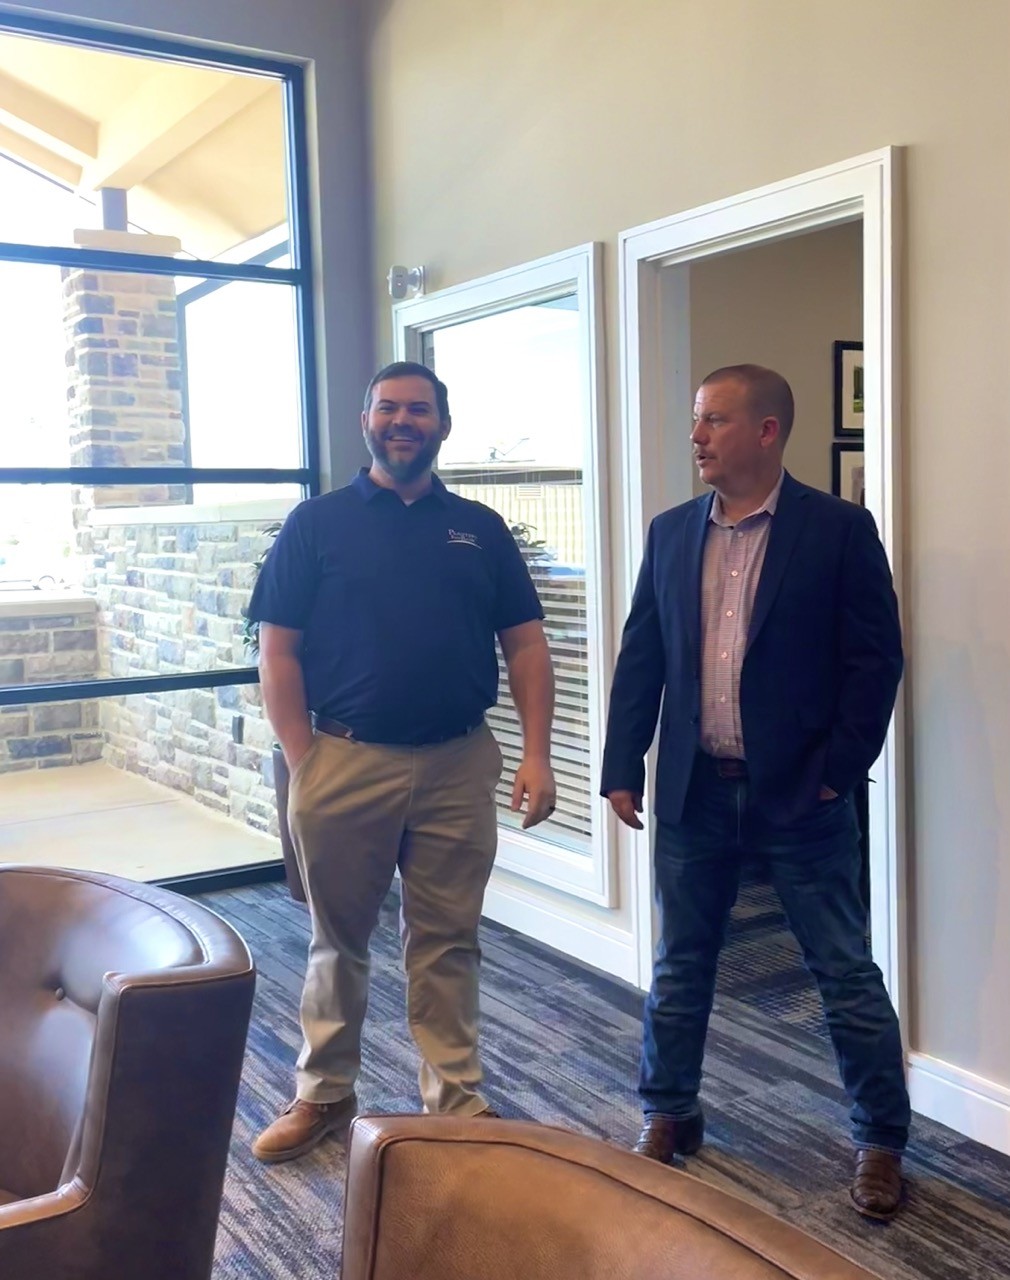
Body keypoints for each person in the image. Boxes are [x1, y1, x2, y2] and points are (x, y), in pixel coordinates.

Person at [600, 364, 910, 1220]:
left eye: (714, 420)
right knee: (680, 964)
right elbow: (643, 657)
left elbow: (875, 661)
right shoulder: (671, 532)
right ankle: (669, 1113)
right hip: (695, 790)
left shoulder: (838, 530)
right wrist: (622, 763)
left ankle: (881, 1139)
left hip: (803, 797)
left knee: (843, 971)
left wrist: (838, 772)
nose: (696, 435)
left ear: (767, 431)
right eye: (697, 419)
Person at [248, 361, 557, 1163]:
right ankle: (323, 1093)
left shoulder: (480, 529)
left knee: (448, 940)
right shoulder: (316, 524)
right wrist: (306, 760)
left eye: (419, 409)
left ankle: (455, 1101)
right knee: (336, 939)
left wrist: (536, 754)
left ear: (443, 425)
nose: (403, 421)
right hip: (344, 760)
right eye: (388, 408)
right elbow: (277, 652)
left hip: (459, 762)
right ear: (366, 422)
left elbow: (525, 645)